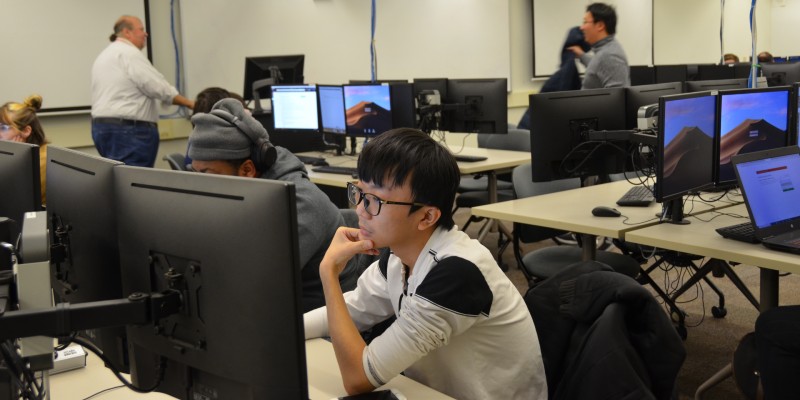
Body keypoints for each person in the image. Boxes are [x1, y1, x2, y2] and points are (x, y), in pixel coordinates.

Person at [303, 128, 547, 399]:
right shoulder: (399, 256)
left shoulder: (456, 273)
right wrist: (280, 334)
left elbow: (358, 379)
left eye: (374, 201)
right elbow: (354, 309)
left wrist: (329, 274)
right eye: (359, 193)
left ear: (426, 217)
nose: (360, 209)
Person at [187, 98, 358, 312]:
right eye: (195, 173)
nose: (200, 185)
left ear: (248, 170)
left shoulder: (300, 206)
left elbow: (252, 281)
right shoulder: (243, 196)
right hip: (273, 313)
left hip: (320, 324)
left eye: (208, 175)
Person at [91, 15, 195, 168]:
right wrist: (191, 104)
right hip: (129, 132)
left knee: (117, 181)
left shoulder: (105, 55)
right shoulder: (129, 53)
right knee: (133, 182)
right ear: (127, 32)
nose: (146, 34)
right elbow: (158, 87)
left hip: (102, 129)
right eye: (141, 29)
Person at [568, 3, 630, 89]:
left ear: (600, 26)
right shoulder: (605, 51)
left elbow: (617, 99)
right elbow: (598, 66)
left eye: (585, 22)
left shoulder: (610, 56)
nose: (581, 27)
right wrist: (581, 55)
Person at [1, 95, 48, 205]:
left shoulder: (41, 161)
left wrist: (14, 161)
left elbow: (12, 200)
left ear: (26, 131)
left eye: (4, 128)